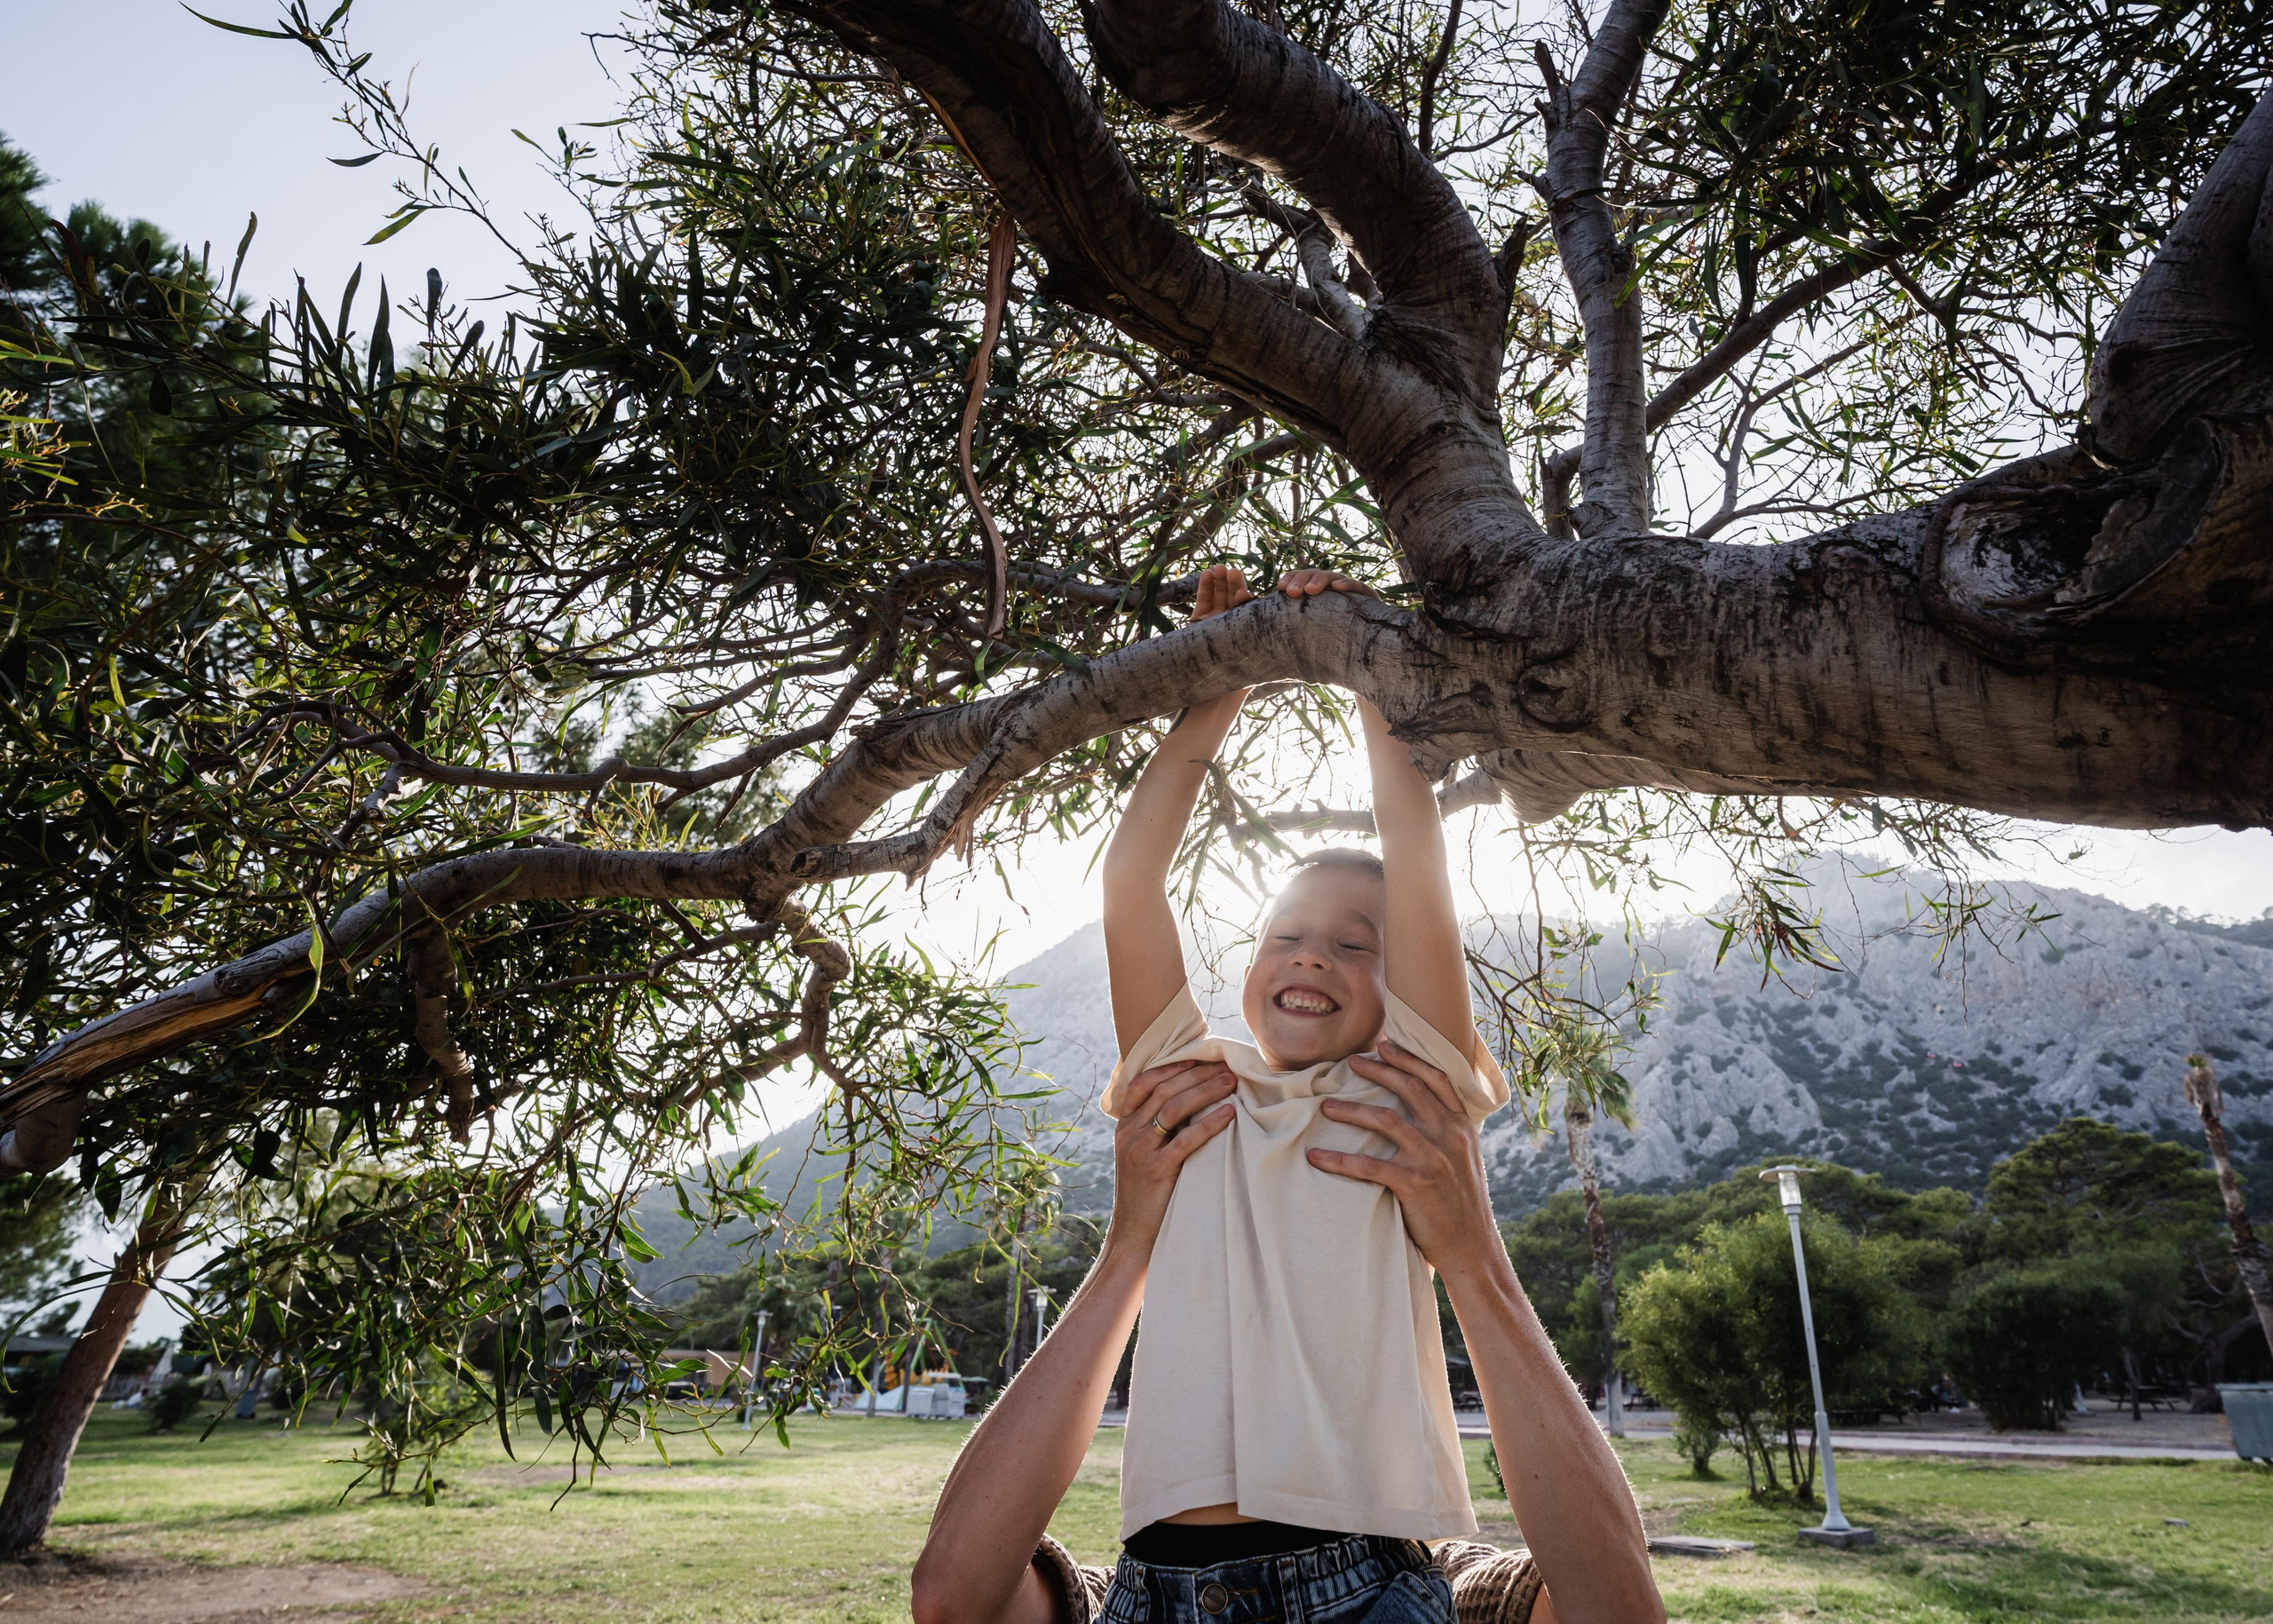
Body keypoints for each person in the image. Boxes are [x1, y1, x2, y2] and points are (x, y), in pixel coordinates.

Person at [911, 569, 1663, 1624]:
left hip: (1359, 1582)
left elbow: (1417, 854)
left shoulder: (1410, 1091)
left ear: (1402, 983)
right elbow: (1131, 880)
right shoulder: (1189, 1081)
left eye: (1357, 943)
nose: (1313, 953)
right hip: (1158, 1588)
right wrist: (1218, 670)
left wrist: (1361, 658)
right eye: (1284, 934)